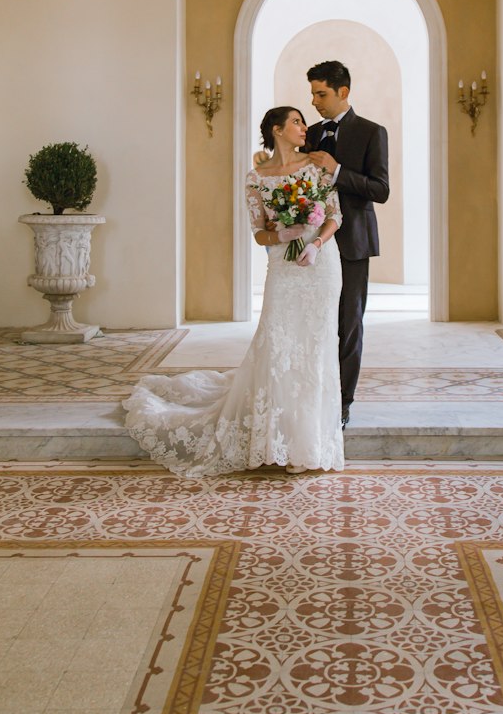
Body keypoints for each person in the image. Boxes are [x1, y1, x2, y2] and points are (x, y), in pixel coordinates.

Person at [124, 106, 344, 477]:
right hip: (283, 267)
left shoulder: (317, 166)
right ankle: (276, 439)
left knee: (317, 347)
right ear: (277, 130)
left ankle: (308, 443)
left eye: (303, 121)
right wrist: (284, 235)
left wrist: (316, 243)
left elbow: (336, 214)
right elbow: (259, 233)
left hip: (320, 266)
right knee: (278, 345)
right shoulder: (256, 177)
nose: (304, 127)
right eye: (296, 121)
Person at [305, 60, 390, 426]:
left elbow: (381, 190)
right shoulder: (308, 134)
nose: (314, 101)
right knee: (314, 321)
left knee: (349, 323)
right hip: (311, 244)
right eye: (311, 94)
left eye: (321, 94)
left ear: (343, 92)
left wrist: (337, 171)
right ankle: (312, 392)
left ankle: (342, 401)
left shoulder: (372, 132)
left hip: (353, 241)